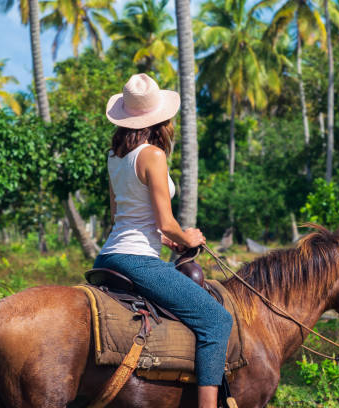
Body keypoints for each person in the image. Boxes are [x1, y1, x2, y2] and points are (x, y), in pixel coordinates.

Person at [94, 73, 233, 408]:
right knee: (217, 319)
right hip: (137, 260)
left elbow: (122, 214)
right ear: (160, 120)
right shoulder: (153, 156)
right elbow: (167, 222)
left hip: (107, 257)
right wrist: (187, 236)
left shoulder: (114, 157)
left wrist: (165, 237)